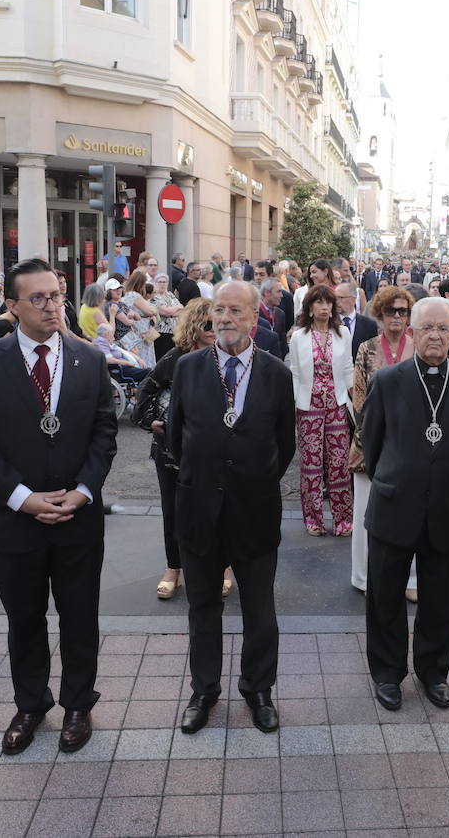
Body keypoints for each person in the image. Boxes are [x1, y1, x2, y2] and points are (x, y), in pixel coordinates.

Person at [0, 258, 119, 755]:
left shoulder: (88, 359)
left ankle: (77, 703)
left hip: (76, 515)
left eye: (57, 295)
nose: (53, 306)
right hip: (15, 519)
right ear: (11, 306)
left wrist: (85, 489)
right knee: (23, 618)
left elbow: (104, 433)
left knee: (78, 615)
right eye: (39, 298)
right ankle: (30, 703)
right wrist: (22, 498)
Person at [168, 281, 295, 736]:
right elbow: (176, 438)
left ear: (255, 316)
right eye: (219, 310)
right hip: (199, 509)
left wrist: (251, 481)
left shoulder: (278, 374)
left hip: (254, 511)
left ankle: (258, 688)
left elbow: (285, 445)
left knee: (260, 610)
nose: (225, 319)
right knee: (202, 606)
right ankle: (203, 691)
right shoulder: (187, 367)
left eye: (235, 311)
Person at [361, 297, 449, 712]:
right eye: (426, 328)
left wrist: (437, 478)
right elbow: (373, 444)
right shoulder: (388, 380)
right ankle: (387, 672)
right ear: (411, 333)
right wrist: (402, 477)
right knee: (385, 596)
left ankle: (433, 672)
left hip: (446, 507)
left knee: (440, 597)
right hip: (394, 503)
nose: (435, 335)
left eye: (443, 329)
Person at [132, 299, 232, 601]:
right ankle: (173, 569)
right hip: (172, 453)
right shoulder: (174, 358)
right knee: (173, 511)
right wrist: (154, 422)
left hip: (216, 452)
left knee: (218, 509)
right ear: (193, 327)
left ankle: (224, 567)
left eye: (216, 323)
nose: (213, 330)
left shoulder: (227, 357)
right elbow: (143, 395)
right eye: (207, 325)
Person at [347, 287, 418, 598]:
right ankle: (364, 576)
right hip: (371, 442)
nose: (398, 317)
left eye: (403, 311)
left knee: (413, 512)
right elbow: (358, 397)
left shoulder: (418, 347)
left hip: (413, 444)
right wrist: (370, 438)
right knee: (366, 511)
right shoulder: (366, 348)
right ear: (380, 314)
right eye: (391, 311)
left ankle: (411, 579)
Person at [287, 285, 354, 537]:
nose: (324, 307)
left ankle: (343, 520)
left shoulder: (343, 333)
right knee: (311, 466)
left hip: (336, 406)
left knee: (339, 465)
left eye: (328, 303)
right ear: (310, 307)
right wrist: (295, 404)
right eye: (319, 303)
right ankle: (313, 519)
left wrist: (356, 397)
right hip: (308, 408)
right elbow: (294, 372)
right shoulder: (299, 336)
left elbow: (347, 368)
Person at [121, 271, 158, 368]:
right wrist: (154, 309)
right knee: (145, 352)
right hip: (141, 326)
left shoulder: (127, 294)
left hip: (135, 326)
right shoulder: (135, 295)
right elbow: (150, 311)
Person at [335, 281, 378, 361]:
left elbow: (372, 356)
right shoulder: (330, 323)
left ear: (352, 299)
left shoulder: (369, 325)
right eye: (334, 298)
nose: (336, 302)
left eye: (340, 298)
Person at [150, 273, 183, 360]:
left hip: (173, 331)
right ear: (155, 283)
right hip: (160, 332)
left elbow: (182, 309)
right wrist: (175, 309)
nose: (162, 284)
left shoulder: (170, 295)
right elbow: (164, 312)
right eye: (160, 282)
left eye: (164, 282)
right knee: (161, 357)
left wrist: (171, 312)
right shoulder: (154, 296)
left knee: (171, 357)